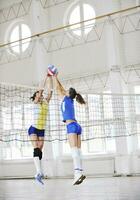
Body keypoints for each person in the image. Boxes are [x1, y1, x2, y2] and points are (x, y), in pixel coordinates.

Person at [53, 74, 86, 185]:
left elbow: (58, 88)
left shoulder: (65, 98)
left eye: (66, 91)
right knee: (78, 151)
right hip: (77, 126)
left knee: (74, 151)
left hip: (71, 126)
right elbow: (61, 88)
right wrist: (56, 77)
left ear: (67, 94)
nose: (64, 90)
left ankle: (77, 174)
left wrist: (53, 77)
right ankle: (80, 171)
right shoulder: (70, 99)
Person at [28, 75, 53, 185]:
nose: (40, 95)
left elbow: (50, 92)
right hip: (34, 128)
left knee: (40, 149)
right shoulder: (36, 102)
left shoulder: (46, 102)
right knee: (37, 148)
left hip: (42, 129)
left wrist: (50, 79)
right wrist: (45, 76)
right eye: (38, 95)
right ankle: (38, 172)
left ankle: (38, 173)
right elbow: (41, 90)